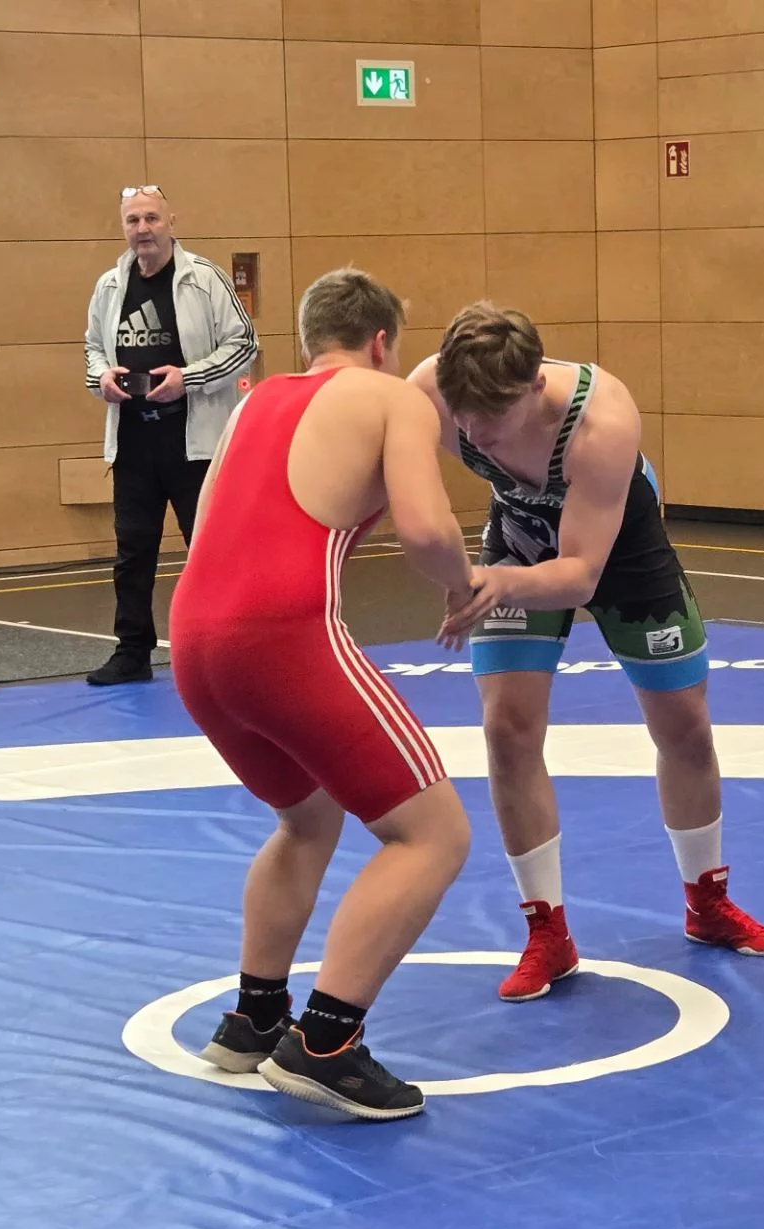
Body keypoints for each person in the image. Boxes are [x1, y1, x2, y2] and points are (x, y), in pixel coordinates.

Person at [409, 303, 764, 1004]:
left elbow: (581, 574)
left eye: (491, 418)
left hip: (616, 547)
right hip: (519, 533)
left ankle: (707, 903)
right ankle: (547, 933)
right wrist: (449, 566)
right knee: (506, 730)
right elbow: (387, 481)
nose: (474, 434)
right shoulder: (428, 392)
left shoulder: (601, 421)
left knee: (684, 726)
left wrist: (494, 583)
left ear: (534, 387)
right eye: (462, 416)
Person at [168, 268, 475, 1122]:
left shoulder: (252, 402)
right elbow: (427, 530)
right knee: (434, 836)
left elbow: (214, 520)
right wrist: (463, 584)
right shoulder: (390, 397)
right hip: (282, 634)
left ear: (308, 340)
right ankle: (327, 1042)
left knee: (306, 820)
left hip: (192, 638)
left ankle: (254, 1018)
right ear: (382, 342)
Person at [84, 184, 259, 687]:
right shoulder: (109, 286)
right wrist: (102, 378)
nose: (143, 229)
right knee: (132, 553)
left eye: (151, 219)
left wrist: (190, 378)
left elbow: (244, 344)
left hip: (193, 444)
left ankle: (223, 648)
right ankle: (132, 652)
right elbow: (92, 349)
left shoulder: (204, 279)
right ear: (124, 228)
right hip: (133, 443)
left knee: (207, 551)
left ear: (171, 223)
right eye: (133, 220)